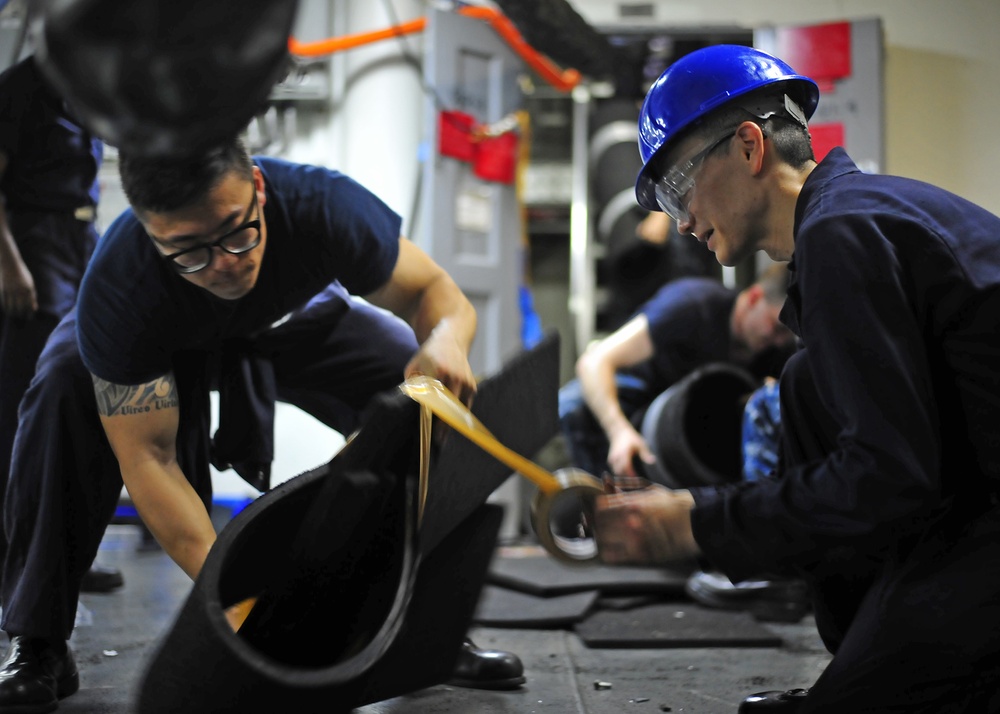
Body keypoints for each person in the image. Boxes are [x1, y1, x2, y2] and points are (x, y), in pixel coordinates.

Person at [0, 137, 525, 712]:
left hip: (285, 319)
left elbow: (436, 293)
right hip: (164, 340)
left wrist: (446, 341)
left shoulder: (324, 206)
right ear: (151, 232)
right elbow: (151, 459)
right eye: (190, 250)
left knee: (406, 385)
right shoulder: (121, 286)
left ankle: (423, 625)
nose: (225, 263)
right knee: (59, 387)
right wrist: (243, 604)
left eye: (236, 231)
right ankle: (38, 641)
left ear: (258, 187)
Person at [594, 43, 1000, 713]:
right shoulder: (848, 222)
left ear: (749, 147)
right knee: (808, 386)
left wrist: (696, 522)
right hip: (974, 499)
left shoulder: (842, 233)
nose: (681, 221)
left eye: (675, 188)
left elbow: (887, 477)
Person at [0, 54, 123, 595]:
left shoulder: (87, 83)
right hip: (33, 244)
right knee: (31, 404)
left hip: (81, 240)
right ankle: (18, 565)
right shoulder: (21, 88)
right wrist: (10, 265)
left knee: (84, 395)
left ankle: (65, 556)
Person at [558, 264, 794, 482]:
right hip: (629, 408)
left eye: (786, 335)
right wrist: (619, 431)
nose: (778, 340)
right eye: (776, 327)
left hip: (687, 434)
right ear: (753, 298)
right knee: (576, 404)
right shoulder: (692, 305)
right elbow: (594, 362)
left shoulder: (775, 348)